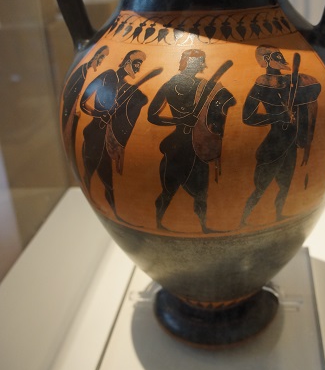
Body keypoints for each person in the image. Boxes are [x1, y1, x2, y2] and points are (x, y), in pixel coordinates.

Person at [148, 49, 235, 233]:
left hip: (198, 145)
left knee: (201, 192)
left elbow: (230, 100)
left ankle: (203, 227)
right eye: (197, 62)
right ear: (186, 62)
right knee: (168, 190)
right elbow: (152, 116)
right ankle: (158, 223)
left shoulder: (205, 86)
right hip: (177, 146)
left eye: (201, 62)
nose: (200, 66)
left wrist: (214, 109)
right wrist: (179, 120)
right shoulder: (170, 85)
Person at [241, 45, 321, 225]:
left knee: (285, 186)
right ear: (266, 60)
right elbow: (247, 117)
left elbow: (314, 91)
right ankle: (243, 221)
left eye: (280, 54)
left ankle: (278, 216)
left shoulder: (292, 81)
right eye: (276, 56)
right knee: (261, 187)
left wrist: (298, 84)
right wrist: (277, 116)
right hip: (274, 145)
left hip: (290, 144)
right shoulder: (262, 83)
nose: (281, 58)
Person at [80, 50, 149, 217]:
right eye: (136, 64)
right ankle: (100, 208)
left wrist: (136, 97)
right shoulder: (108, 76)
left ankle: (115, 214)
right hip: (94, 134)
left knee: (108, 181)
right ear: (127, 62)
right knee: (89, 172)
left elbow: (143, 100)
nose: (138, 69)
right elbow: (83, 102)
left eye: (140, 65)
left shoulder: (128, 89)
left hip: (107, 139)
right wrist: (98, 114)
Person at [61, 46, 109, 171]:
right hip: (70, 114)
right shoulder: (81, 71)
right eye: (101, 58)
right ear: (96, 56)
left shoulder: (84, 71)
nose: (101, 62)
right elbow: (70, 95)